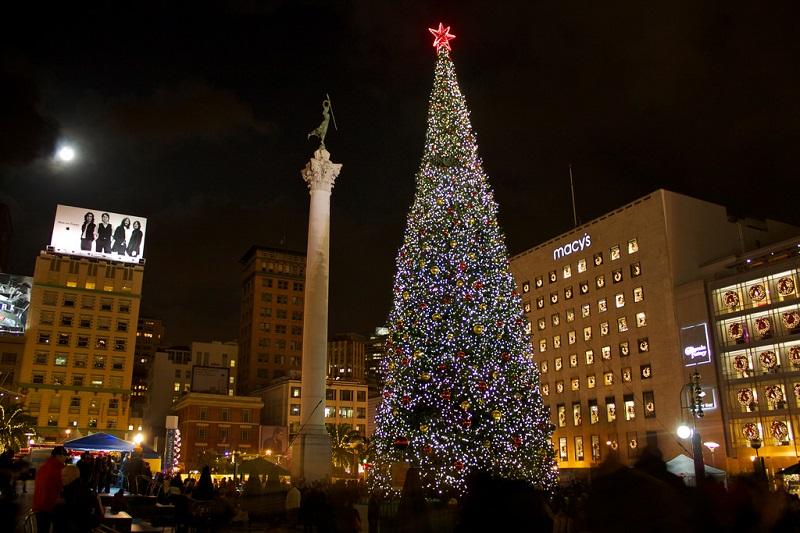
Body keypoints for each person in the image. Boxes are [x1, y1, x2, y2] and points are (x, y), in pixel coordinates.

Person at [32, 446, 69, 533]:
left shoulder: (44, 466)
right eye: (65, 456)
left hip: (38, 505)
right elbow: (63, 486)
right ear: (58, 456)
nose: (66, 458)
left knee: (42, 530)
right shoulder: (59, 468)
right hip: (50, 505)